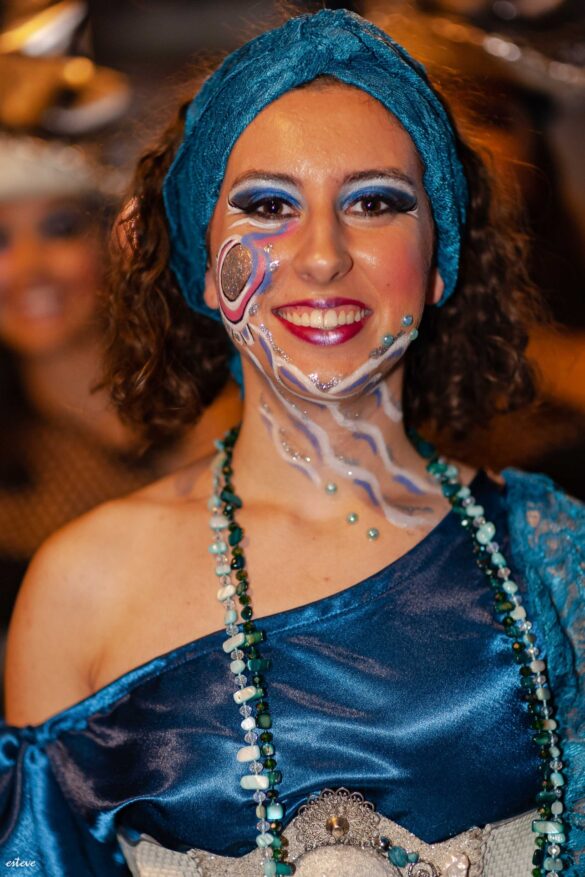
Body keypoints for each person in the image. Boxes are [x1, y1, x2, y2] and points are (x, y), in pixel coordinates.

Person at [1, 9, 583, 877]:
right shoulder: (78, 586)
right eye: (268, 205)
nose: (321, 256)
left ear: (437, 259)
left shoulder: (550, 559)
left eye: (374, 202)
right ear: (205, 264)